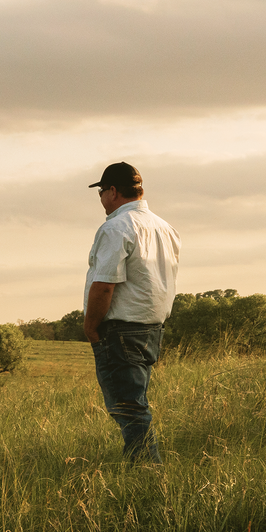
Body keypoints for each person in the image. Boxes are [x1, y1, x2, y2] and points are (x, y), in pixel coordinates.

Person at [84, 162, 180, 462]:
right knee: (135, 403)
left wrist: (90, 326)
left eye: (101, 192)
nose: (101, 199)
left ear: (113, 191)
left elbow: (104, 285)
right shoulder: (165, 228)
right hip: (152, 328)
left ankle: (147, 474)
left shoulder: (116, 227)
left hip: (122, 329)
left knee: (127, 407)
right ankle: (145, 470)